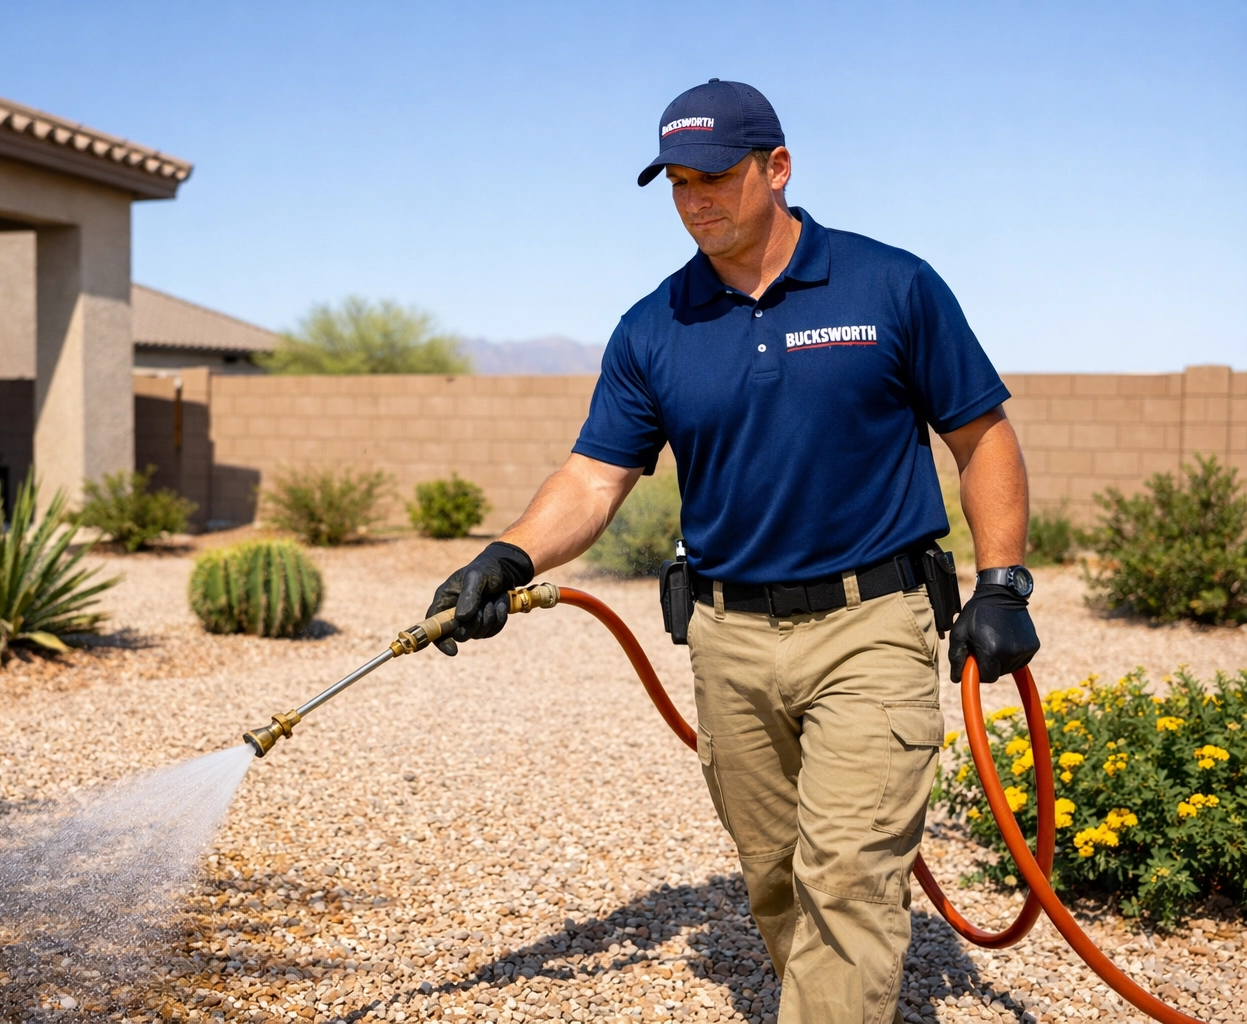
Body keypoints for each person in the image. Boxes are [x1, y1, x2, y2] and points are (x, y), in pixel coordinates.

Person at [426, 80, 1040, 1024]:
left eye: (713, 176)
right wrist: (506, 556)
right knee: (779, 878)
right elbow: (595, 479)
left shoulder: (891, 285)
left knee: (845, 878)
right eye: (676, 181)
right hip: (728, 641)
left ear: (777, 168)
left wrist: (1002, 583)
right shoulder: (655, 326)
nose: (694, 200)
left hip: (871, 626)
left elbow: (982, 437)